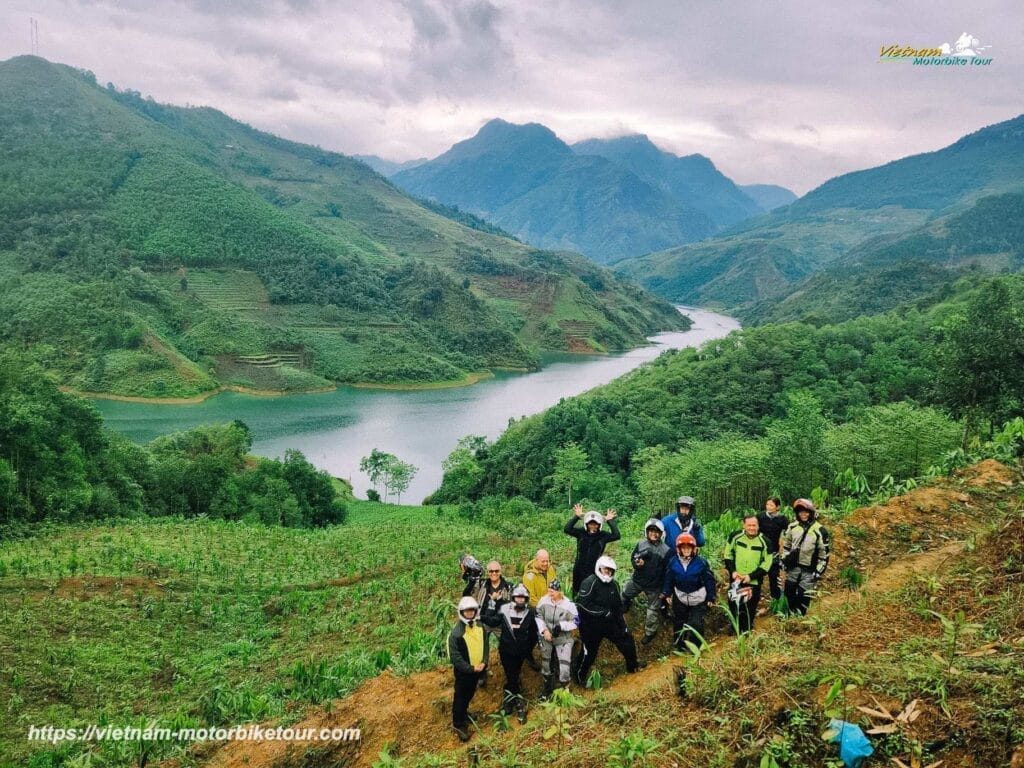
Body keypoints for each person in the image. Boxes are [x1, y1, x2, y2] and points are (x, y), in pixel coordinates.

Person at [573, 556, 642, 685]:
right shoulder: (589, 582)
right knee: (589, 653)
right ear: (599, 568)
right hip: (590, 626)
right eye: (606, 569)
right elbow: (582, 604)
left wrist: (622, 621)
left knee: (626, 639)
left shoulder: (614, 585)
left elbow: (617, 607)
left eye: (611, 570)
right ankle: (579, 677)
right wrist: (602, 612)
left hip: (609, 622)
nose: (608, 572)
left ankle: (633, 666)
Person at [484, 583, 538, 723]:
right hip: (506, 651)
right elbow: (492, 621)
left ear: (526, 599)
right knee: (512, 675)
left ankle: (509, 699)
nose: (520, 599)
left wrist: (528, 649)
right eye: (517, 597)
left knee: (513, 675)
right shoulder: (504, 609)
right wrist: (490, 604)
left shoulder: (530, 612)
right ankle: (519, 703)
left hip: (520, 653)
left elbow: (534, 634)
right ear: (513, 597)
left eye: (522, 597)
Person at [661, 533, 716, 651]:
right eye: (683, 548)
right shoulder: (673, 562)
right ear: (679, 549)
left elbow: (709, 580)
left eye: (689, 548)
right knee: (679, 622)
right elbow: (669, 578)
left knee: (696, 623)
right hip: (680, 596)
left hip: (698, 598)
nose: (686, 550)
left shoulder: (701, 563)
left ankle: (696, 647)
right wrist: (667, 592)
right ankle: (679, 646)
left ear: (693, 549)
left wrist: (711, 596)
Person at [622, 518, 671, 644]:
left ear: (661, 534)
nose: (654, 534)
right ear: (647, 531)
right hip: (638, 581)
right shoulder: (641, 544)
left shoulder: (666, 550)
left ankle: (650, 632)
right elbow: (633, 558)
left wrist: (665, 591)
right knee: (625, 593)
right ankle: (625, 604)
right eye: (651, 531)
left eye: (657, 532)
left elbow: (668, 572)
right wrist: (637, 563)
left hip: (655, 586)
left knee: (652, 611)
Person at [447, 596, 489, 741]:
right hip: (464, 673)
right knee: (460, 697)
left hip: (477, 670)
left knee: (470, 694)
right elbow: (455, 658)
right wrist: (471, 668)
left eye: (472, 610)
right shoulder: (456, 634)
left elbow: (486, 645)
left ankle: (464, 714)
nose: (470, 613)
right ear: (461, 612)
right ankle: (458, 724)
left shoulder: (480, 627)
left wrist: (484, 662)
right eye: (467, 611)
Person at [721, 515, 772, 634]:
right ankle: (735, 628)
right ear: (744, 525)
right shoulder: (735, 536)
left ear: (758, 526)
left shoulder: (765, 542)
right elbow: (728, 554)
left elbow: (767, 564)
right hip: (736, 579)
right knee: (734, 604)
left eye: (754, 525)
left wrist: (751, 576)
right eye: (749, 525)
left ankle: (747, 630)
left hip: (753, 581)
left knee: (750, 606)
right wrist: (733, 571)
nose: (751, 528)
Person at [781, 498, 831, 616]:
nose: (803, 514)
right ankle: (789, 616)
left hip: (809, 569)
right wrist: (784, 560)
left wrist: (819, 570)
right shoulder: (792, 527)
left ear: (811, 512)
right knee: (789, 591)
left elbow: (824, 554)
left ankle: (800, 617)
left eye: (806, 512)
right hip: (793, 566)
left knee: (803, 595)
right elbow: (787, 546)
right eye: (800, 512)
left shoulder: (820, 530)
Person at [564, 503, 621, 597]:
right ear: (586, 524)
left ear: (599, 525)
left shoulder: (603, 536)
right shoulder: (581, 532)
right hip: (579, 568)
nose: (593, 526)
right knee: (577, 591)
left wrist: (609, 520)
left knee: (591, 591)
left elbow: (616, 535)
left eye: (595, 524)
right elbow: (567, 529)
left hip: (594, 570)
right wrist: (577, 516)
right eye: (590, 524)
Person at [535, 579, 578, 698]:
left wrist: (562, 626)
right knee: (546, 663)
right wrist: (544, 630)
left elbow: (576, 621)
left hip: (563, 638)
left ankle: (565, 687)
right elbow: (538, 616)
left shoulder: (569, 604)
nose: (550, 593)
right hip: (546, 637)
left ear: (559, 591)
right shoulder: (543, 601)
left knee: (564, 665)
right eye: (549, 590)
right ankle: (547, 687)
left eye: (553, 591)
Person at [477, 560, 511, 688]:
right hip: (484, 621)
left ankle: (510, 674)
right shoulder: (483, 586)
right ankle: (482, 672)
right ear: (488, 572)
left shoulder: (507, 587)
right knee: (481, 648)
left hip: (499, 623)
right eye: (491, 571)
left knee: (506, 648)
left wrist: (495, 601)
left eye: (496, 571)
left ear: (500, 572)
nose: (494, 573)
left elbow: (506, 607)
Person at [756, 497, 790, 609]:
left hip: (774, 551)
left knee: (774, 575)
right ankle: (755, 599)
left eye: (771, 505)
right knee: (757, 574)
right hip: (759, 550)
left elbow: (789, 532)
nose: (768, 507)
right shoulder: (760, 516)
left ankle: (776, 601)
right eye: (767, 504)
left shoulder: (782, 519)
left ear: (777, 507)